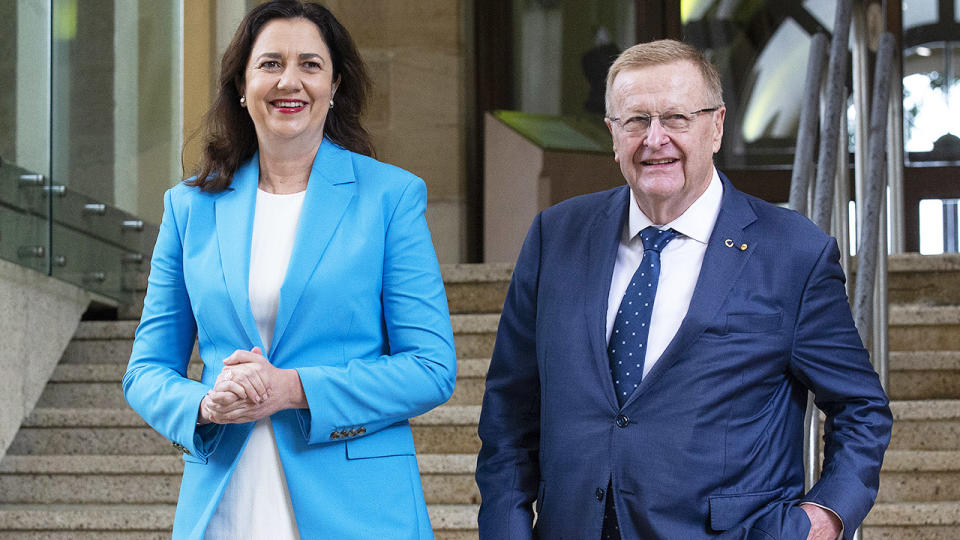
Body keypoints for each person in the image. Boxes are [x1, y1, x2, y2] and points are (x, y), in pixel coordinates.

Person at [475, 40, 892, 540]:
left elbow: (860, 408)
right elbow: (508, 416)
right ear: (612, 133)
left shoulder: (793, 253)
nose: (655, 140)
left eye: (675, 118)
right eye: (635, 121)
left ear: (715, 126)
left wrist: (827, 515)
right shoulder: (555, 236)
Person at [122, 1, 456, 538]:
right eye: (270, 64)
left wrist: (296, 388)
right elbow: (145, 372)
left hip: (358, 507)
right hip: (226, 503)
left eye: (310, 64)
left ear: (335, 84)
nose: (289, 81)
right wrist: (204, 403)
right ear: (241, 83)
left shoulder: (390, 197)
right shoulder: (189, 208)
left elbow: (431, 367)